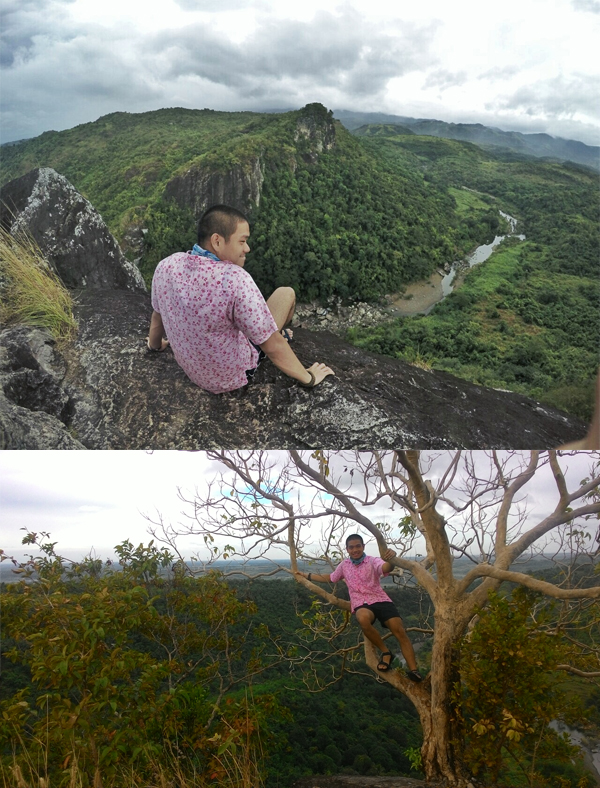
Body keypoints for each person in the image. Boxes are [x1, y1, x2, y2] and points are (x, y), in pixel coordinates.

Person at [147, 204, 334, 394]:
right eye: (242, 241)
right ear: (217, 242)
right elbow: (272, 344)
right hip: (229, 379)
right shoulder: (235, 279)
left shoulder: (167, 266)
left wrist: (155, 346)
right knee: (286, 294)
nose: (247, 248)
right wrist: (308, 378)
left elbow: (157, 315)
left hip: (193, 372)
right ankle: (276, 335)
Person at [297, 534, 423, 682]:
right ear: (347, 549)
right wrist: (306, 575)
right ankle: (386, 652)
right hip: (361, 602)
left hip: (380, 598)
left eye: (358, 546)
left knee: (399, 629)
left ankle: (413, 670)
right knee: (362, 619)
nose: (355, 549)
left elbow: (385, 567)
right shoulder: (344, 565)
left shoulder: (372, 561)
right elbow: (331, 578)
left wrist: (391, 559)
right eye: (351, 547)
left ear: (363, 546)